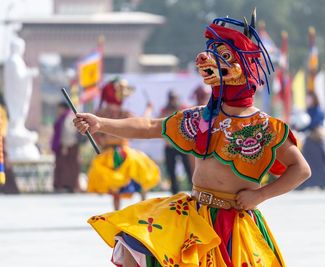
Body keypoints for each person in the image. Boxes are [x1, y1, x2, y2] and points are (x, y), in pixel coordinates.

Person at [74, 11, 310, 266]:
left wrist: (261, 195)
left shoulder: (265, 126)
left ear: (244, 69)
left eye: (225, 56)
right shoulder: (200, 118)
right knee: (135, 244)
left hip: (233, 223)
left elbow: (301, 170)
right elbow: (149, 126)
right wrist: (101, 123)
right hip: (191, 215)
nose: (207, 59)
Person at [87, 78, 160, 210]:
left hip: (118, 152)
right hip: (115, 153)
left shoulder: (104, 113)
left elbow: (142, 124)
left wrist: (102, 141)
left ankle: (137, 210)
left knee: (137, 176)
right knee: (128, 182)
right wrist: (148, 109)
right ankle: (133, 210)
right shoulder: (109, 113)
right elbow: (143, 123)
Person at [160, 90, 193, 194]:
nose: (172, 100)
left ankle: (193, 191)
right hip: (169, 146)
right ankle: (174, 193)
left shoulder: (183, 108)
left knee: (189, 169)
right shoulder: (165, 110)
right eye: (171, 98)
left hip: (181, 145)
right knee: (171, 172)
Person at [296, 91, 325, 190]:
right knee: (306, 162)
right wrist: (299, 127)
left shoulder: (318, 110)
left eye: (309, 98)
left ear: (314, 99)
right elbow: (304, 124)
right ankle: (304, 183)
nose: (307, 100)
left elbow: (315, 122)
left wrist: (304, 127)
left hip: (316, 139)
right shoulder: (307, 110)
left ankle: (322, 183)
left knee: (318, 163)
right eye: (307, 98)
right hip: (309, 140)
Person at [51, 102, 80, 193]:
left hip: (68, 146)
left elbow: (68, 133)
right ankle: (62, 185)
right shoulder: (62, 118)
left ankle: (68, 185)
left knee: (67, 167)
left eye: (59, 108)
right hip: (63, 146)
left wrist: (65, 146)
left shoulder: (68, 118)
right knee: (62, 166)